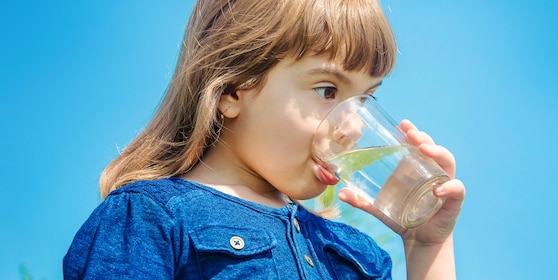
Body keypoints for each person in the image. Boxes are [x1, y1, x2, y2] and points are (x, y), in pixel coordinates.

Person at [63, 0, 466, 279]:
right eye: (328, 90)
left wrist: (426, 247)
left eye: (366, 99)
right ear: (232, 90)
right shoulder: (152, 218)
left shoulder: (356, 256)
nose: (356, 126)